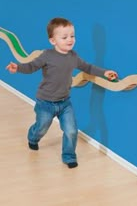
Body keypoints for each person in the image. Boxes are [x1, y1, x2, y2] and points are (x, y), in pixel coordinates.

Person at [6, 17, 118, 168]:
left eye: (72, 36)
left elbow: (88, 67)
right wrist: (18, 68)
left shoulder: (74, 57)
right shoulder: (47, 55)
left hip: (65, 102)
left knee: (71, 131)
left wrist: (104, 73)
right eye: (64, 37)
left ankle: (69, 156)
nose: (70, 39)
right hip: (45, 102)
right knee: (41, 127)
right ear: (53, 41)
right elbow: (32, 66)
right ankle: (32, 138)